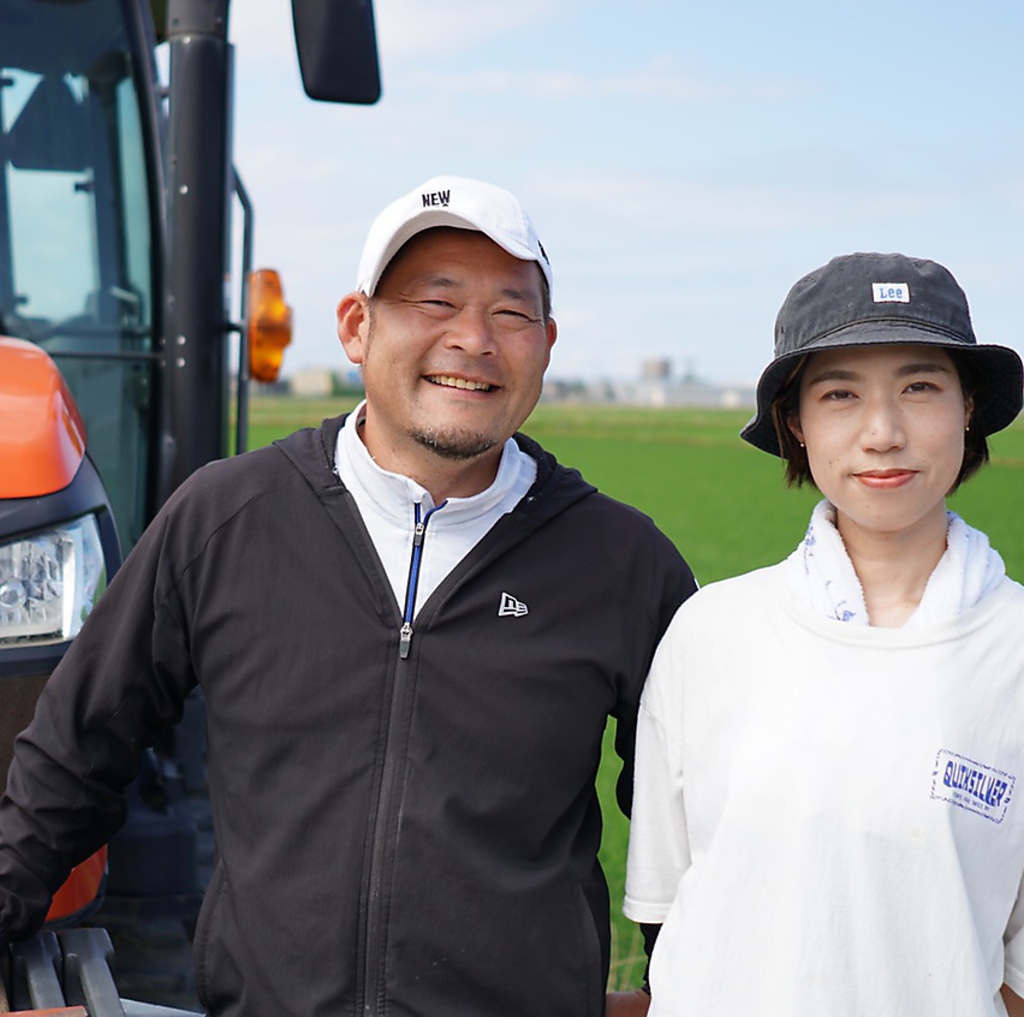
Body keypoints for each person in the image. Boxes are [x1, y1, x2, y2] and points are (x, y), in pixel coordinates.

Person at [0, 175, 695, 1017]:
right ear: (356, 327)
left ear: (545, 343)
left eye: (510, 313)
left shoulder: (624, 564)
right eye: (435, 302)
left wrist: (695, 988)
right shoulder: (228, 518)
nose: (473, 339)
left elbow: (688, 821)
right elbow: (76, 752)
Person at [623, 251, 1024, 1016]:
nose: (883, 431)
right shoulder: (709, 633)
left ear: (968, 406)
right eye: (840, 393)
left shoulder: (1015, 651)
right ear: (795, 422)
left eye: (920, 386)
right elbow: (669, 909)